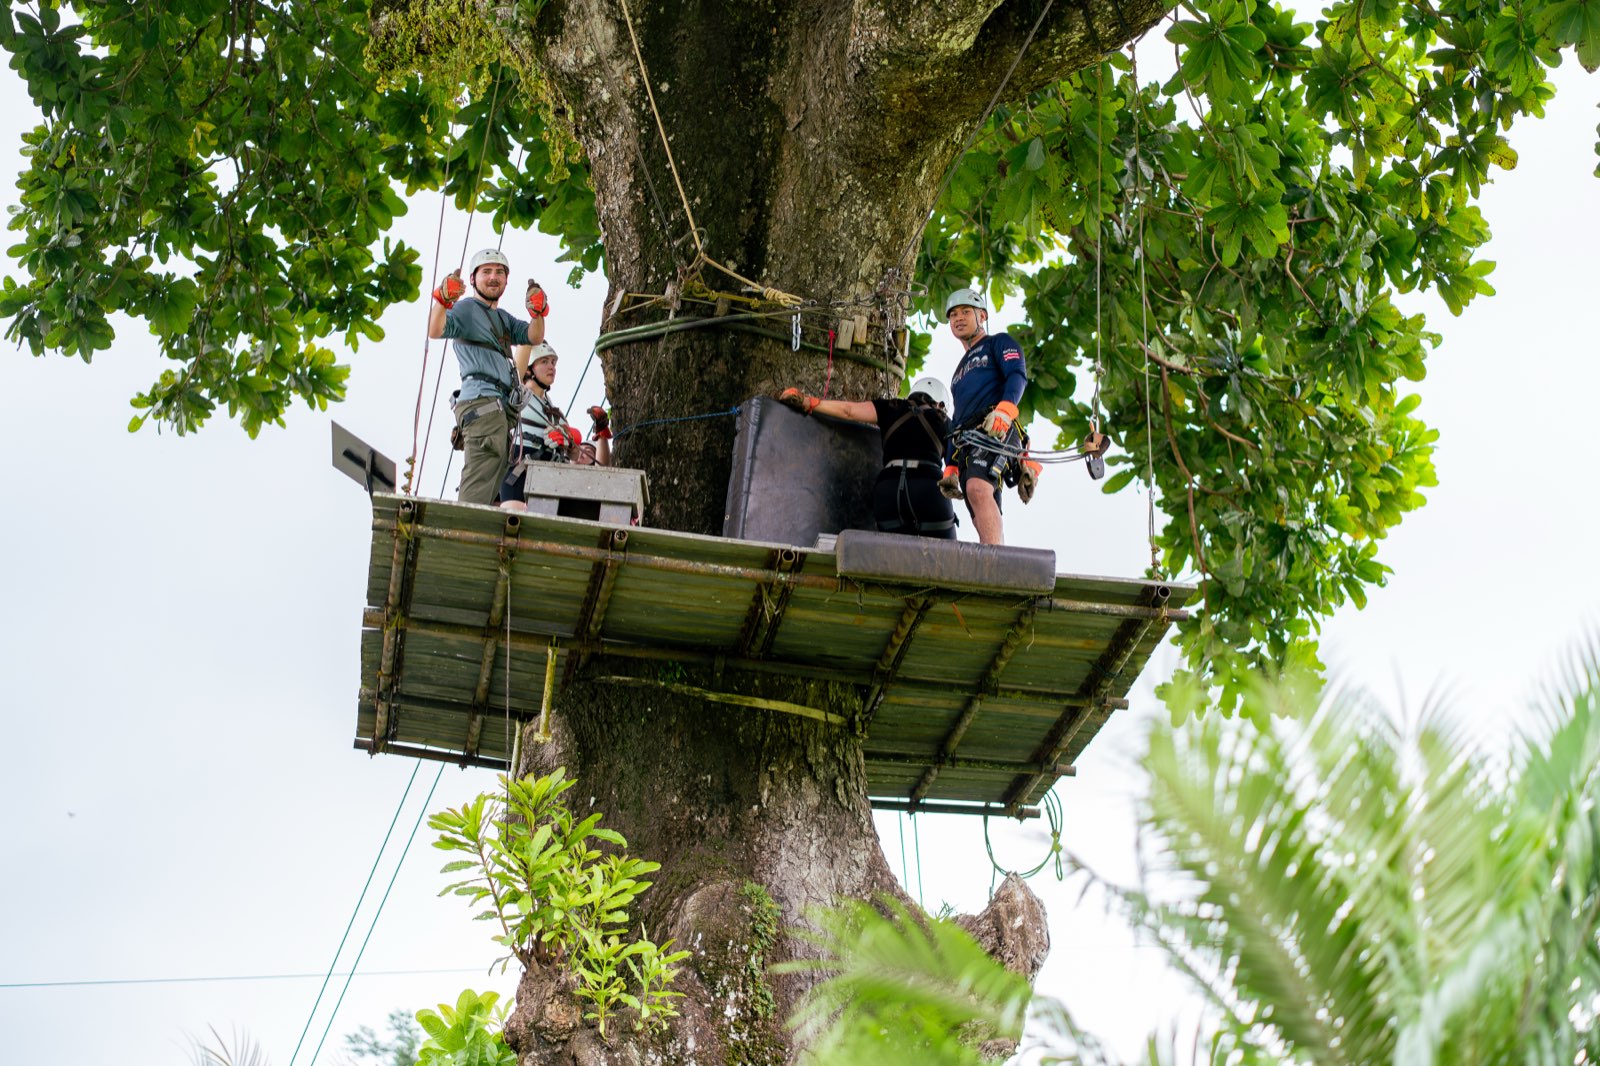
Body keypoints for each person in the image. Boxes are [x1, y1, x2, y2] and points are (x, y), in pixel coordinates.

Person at [427, 250, 550, 505]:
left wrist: (537, 313)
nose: (494, 277)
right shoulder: (466, 310)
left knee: (492, 477)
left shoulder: (502, 318)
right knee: (482, 475)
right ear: (472, 279)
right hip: (484, 403)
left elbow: (533, 337)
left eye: (499, 272)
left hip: (498, 408)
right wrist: (443, 300)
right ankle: (463, 529)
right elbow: (436, 330)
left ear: (506, 280)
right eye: (486, 271)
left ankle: (471, 526)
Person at [777, 376, 957, 539]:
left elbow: (848, 410)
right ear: (940, 404)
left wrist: (809, 402)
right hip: (927, 488)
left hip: (889, 492)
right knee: (951, 560)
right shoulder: (944, 420)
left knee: (894, 558)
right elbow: (953, 459)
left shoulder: (890, 407)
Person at [938, 287, 1033, 545]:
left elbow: (1017, 375)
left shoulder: (998, 343)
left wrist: (1005, 410)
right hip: (967, 438)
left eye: (966, 312)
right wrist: (951, 463)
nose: (958, 318)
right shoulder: (959, 373)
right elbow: (957, 419)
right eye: (953, 315)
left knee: (978, 488)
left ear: (982, 315)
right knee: (975, 497)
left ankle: (995, 559)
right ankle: (991, 554)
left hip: (995, 427)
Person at [499, 344, 612, 511]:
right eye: (544, 361)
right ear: (529, 370)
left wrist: (567, 442)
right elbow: (516, 371)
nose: (551, 366)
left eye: (553, 362)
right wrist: (529, 338)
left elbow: (574, 454)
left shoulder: (557, 414)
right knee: (513, 522)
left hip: (551, 479)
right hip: (520, 473)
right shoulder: (519, 397)